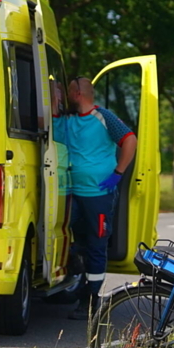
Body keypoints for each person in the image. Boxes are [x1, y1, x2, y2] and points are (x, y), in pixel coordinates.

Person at [54, 77, 137, 320]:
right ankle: (77, 277)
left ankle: (90, 299)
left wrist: (118, 173)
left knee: (96, 246)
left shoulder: (103, 117)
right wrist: (53, 94)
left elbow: (130, 139)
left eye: (69, 90)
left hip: (98, 194)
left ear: (78, 93)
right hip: (70, 192)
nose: (68, 95)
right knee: (66, 238)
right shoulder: (68, 120)